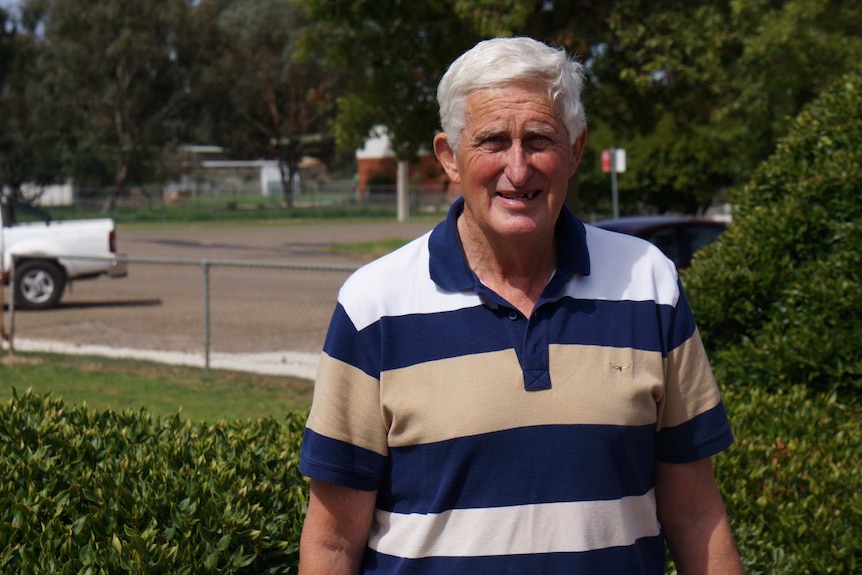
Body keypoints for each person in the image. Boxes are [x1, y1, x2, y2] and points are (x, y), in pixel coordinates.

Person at [298, 37, 743, 574]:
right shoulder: (375, 306)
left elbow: (696, 518)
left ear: (575, 150)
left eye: (539, 139)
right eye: (491, 141)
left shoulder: (648, 285)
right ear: (449, 158)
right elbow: (332, 544)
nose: (518, 167)